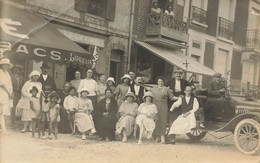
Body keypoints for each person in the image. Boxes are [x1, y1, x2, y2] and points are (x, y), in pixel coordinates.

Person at [149, 76, 175, 144]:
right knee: (156, 121)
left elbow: (172, 98)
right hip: (155, 106)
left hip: (163, 106)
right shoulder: (154, 89)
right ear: (157, 82)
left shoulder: (166, 89)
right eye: (159, 81)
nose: (160, 83)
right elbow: (147, 91)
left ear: (164, 82)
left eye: (161, 81)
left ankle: (162, 136)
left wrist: (180, 98)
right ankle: (157, 137)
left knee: (163, 121)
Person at [0, 58, 13, 134]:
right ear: (2, 65)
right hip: (2, 92)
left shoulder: (7, 73)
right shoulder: (0, 72)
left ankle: (3, 128)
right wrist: (8, 93)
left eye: (7, 65)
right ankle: (4, 129)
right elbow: (2, 84)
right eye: (5, 64)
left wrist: (11, 93)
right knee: (1, 111)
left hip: (7, 93)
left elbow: (10, 84)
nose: (6, 66)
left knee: (3, 111)